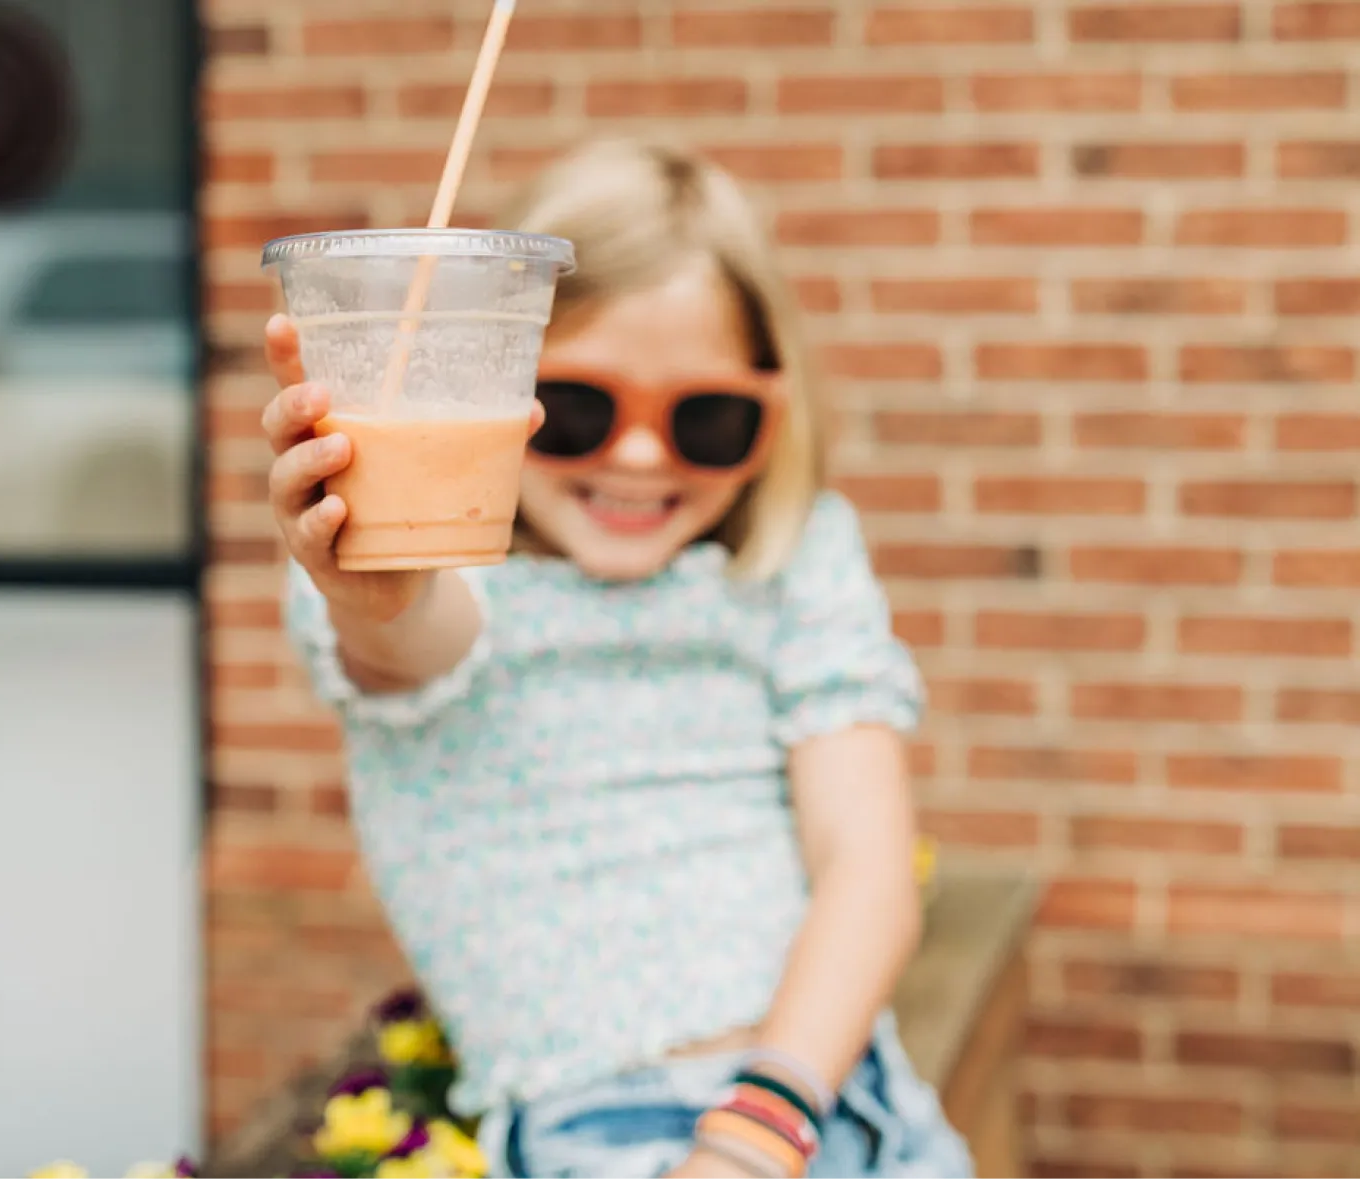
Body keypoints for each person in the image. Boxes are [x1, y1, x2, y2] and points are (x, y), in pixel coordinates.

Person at [261, 137, 973, 1179]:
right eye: (581, 409)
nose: (639, 457)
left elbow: (868, 868)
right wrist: (380, 583)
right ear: (492, 374)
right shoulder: (444, 574)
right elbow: (408, 639)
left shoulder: (793, 562)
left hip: (832, 1097)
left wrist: (754, 1134)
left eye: (708, 419)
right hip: (602, 1130)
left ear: (778, 410)